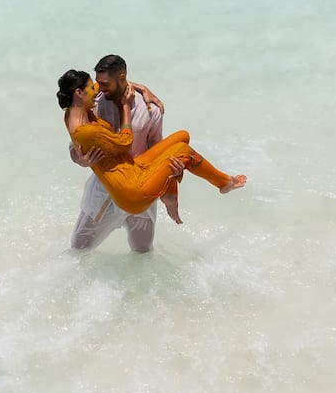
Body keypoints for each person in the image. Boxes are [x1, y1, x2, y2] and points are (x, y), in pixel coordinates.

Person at [58, 66, 246, 230]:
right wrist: (125, 108)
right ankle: (224, 183)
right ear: (79, 93)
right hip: (130, 192)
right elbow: (125, 143)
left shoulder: (74, 112)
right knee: (184, 151)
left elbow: (110, 84)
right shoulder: (87, 130)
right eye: (92, 88)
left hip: (133, 168)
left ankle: (170, 193)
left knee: (183, 136)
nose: (97, 90)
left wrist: (142, 87)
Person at [67, 54, 169, 251]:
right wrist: (80, 160)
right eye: (97, 84)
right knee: (79, 249)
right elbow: (74, 146)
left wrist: (168, 192)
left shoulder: (151, 109)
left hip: (140, 192)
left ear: (122, 77)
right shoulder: (94, 105)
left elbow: (158, 151)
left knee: (142, 252)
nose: (99, 89)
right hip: (104, 194)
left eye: (105, 84)